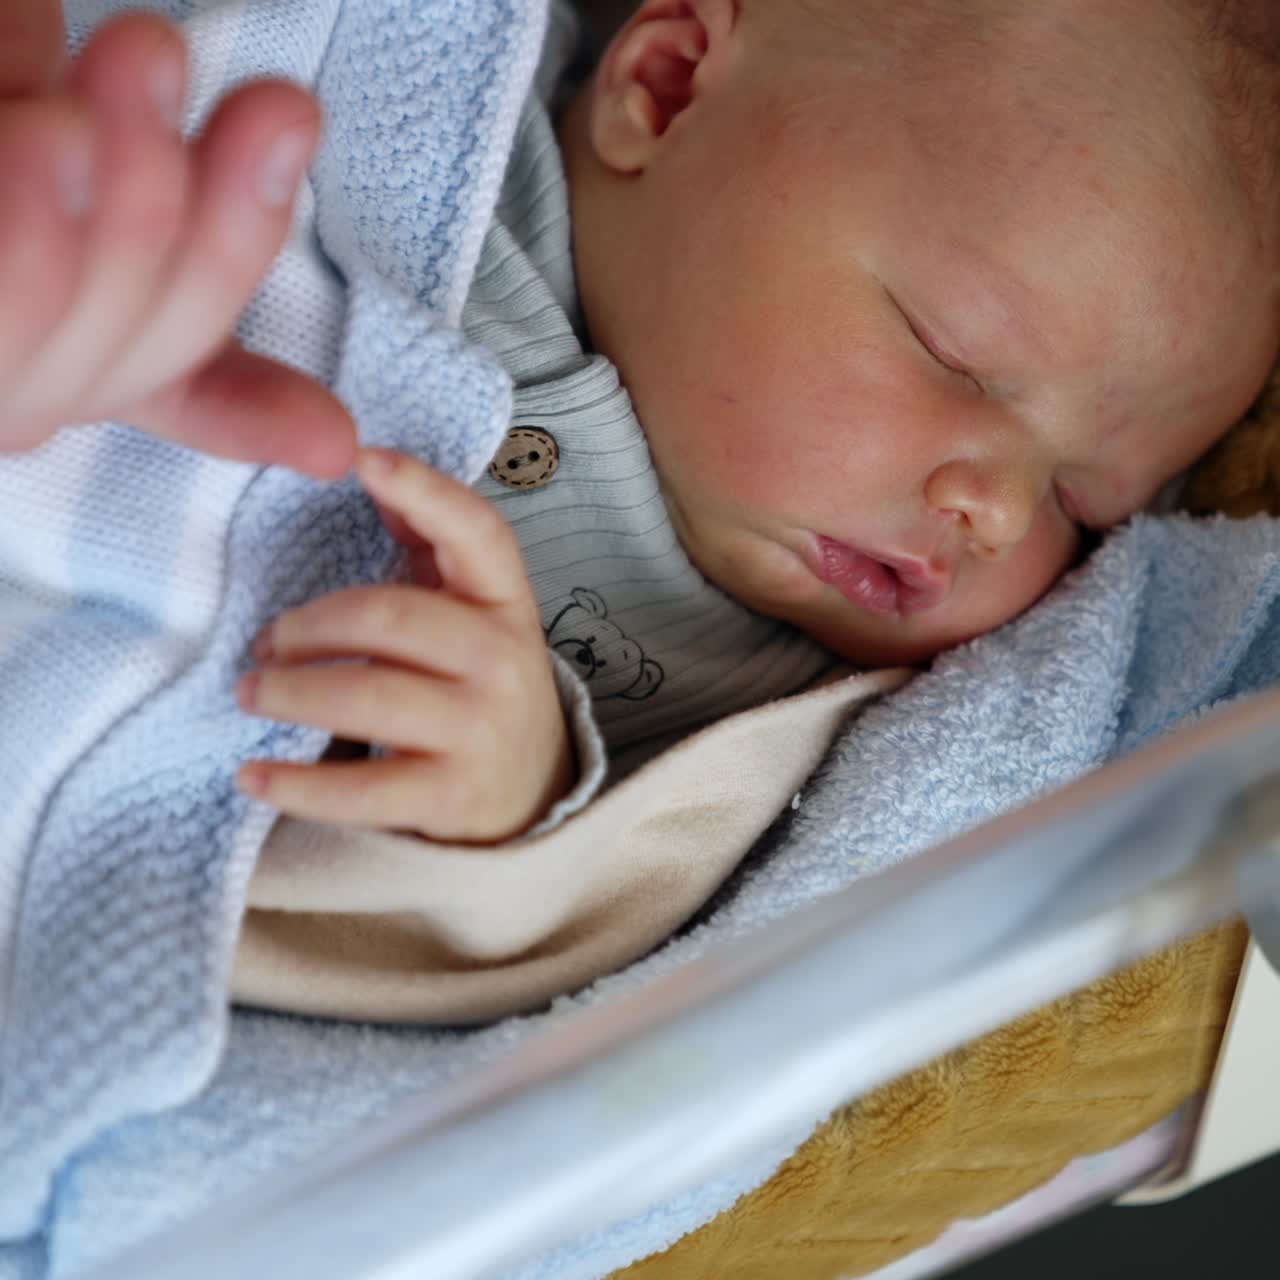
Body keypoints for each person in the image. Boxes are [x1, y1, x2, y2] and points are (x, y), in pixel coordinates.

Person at [2, 0, 1277, 847]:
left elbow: (634, 949)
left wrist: (520, 800)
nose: (996, 511)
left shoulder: (782, 720)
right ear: (665, 90)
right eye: (959, 355)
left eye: (1081, 504)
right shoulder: (395, 101)